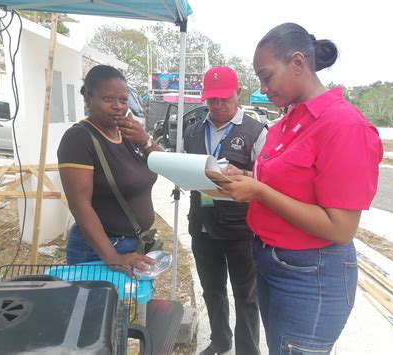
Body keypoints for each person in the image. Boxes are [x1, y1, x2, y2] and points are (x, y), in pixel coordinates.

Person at [220, 23, 383, 355]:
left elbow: (341, 228)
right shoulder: (288, 122)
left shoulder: (343, 126)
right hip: (270, 261)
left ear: (297, 63)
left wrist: (259, 192)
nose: (263, 88)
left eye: (267, 76)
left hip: (310, 275)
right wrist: (247, 177)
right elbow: (289, 184)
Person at [183, 66, 267, 355]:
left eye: (224, 99)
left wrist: (245, 174)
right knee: (212, 290)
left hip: (241, 229)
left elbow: (269, 182)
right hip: (202, 225)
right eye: (211, 100)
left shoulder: (256, 132)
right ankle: (220, 341)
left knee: (247, 295)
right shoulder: (193, 130)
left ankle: (247, 350)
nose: (217, 106)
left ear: (238, 94)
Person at [57, 65, 162, 270]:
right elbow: (80, 205)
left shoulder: (129, 134)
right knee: (101, 302)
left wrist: (145, 141)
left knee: (129, 302)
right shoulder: (79, 139)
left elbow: (168, 166)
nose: (118, 106)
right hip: (101, 250)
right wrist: (113, 257)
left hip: (135, 244)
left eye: (123, 100)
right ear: (88, 99)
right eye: (108, 99)